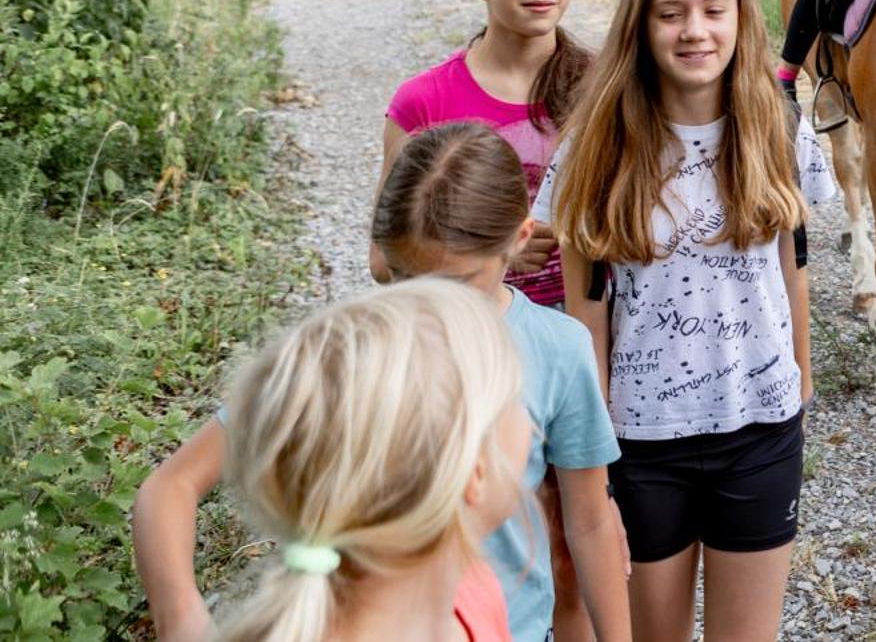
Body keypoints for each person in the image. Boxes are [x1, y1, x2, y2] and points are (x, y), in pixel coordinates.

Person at [134, 125, 632, 642]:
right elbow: (171, 486)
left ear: (520, 240)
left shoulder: (556, 348)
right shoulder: (347, 354)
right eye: (404, 275)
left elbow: (589, 524)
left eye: (457, 284)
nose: (427, 303)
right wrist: (181, 618)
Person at [542, 0, 829, 642]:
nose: (694, 30)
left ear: (741, 15)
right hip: (641, 443)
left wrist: (801, 376)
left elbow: (793, 262)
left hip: (760, 429)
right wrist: (588, 446)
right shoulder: (596, 146)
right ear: (641, 23)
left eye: (713, 9)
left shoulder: (780, 125)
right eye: (671, 13)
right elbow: (586, 303)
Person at [205, 279, 531, 642]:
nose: (530, 421)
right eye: (514, 399)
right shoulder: (470, 592)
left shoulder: (473, 588)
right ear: (474, 473)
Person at [381, 0, 591, 309]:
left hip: (591, 336)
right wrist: (497, 252)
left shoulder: (606, 86)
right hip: (473, 332)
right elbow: (384, 261)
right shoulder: (424, 102)